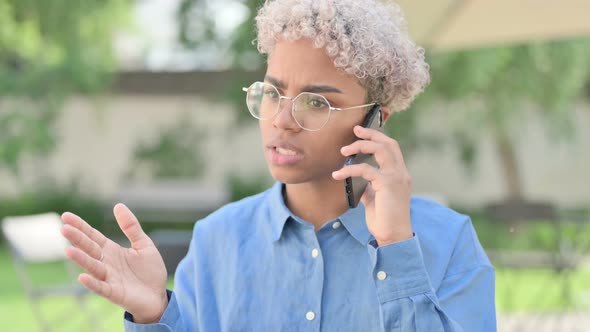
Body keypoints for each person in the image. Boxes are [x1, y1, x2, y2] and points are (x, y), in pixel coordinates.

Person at [60, 0, 496, 331]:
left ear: (376, 118)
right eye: (272, 93)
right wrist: (156, 315)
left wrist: (398, 250)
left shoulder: (449, 242)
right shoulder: (217, 240)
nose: (282, 120)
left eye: (316, 102)